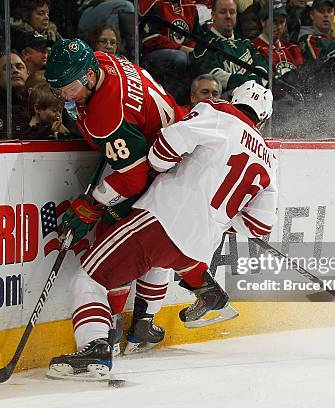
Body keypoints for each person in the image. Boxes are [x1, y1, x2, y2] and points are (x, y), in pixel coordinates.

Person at [46, 80, 278, 380]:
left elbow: (165, 148)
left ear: (233, 98)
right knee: (157, 263)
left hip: (160, 220)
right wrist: (215, 216)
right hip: (198, 249)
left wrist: (157, 165)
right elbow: (259, 225)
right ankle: (163, 314)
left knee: (88, 279)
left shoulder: (218, 112)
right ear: (264, 118)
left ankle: (94, 349)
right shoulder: (270, 159)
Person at [192, 0, 269, 95]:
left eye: (232, 12)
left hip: (257, 93)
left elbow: (261, 62)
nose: (228, 16)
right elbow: (214, 77)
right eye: (223, 12)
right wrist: (252, 82)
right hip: (229, 99)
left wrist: (257, 81)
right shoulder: (204, 45)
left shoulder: (244, 41)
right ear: (213, 15)